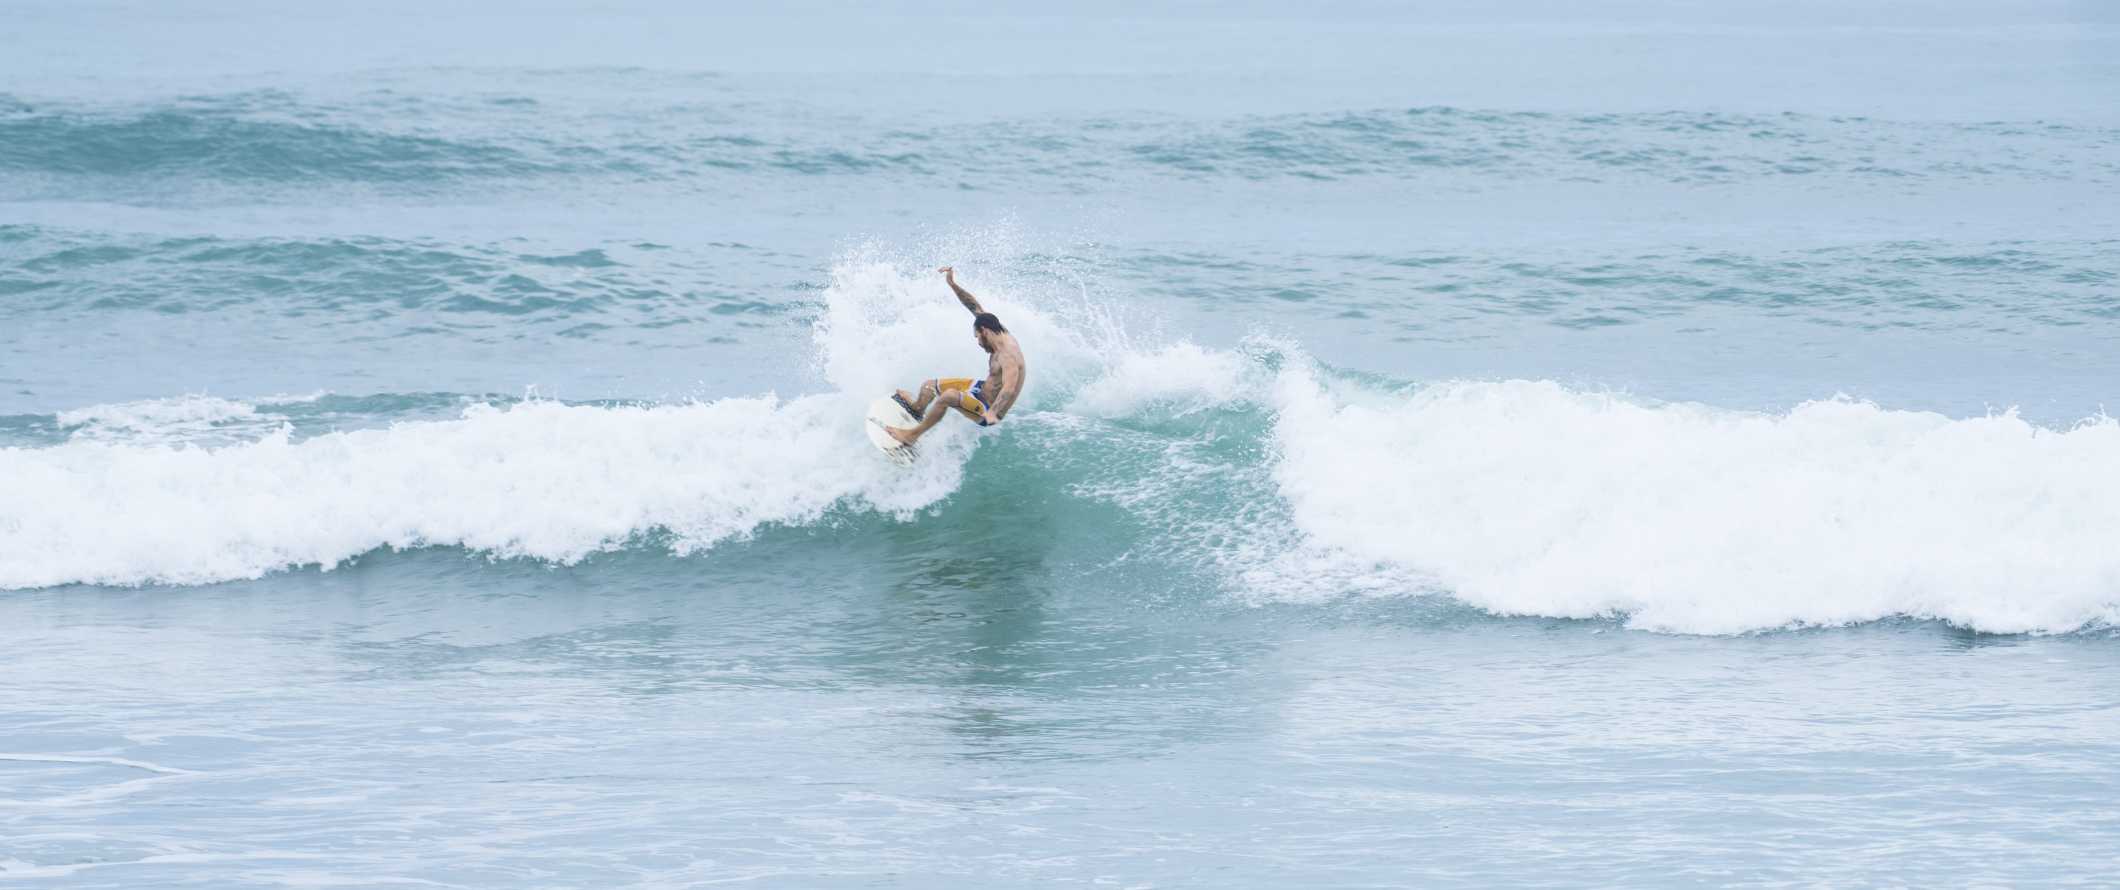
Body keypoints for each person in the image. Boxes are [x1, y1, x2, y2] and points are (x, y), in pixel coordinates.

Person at [887, 267, 1027, 446]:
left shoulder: (1008, 354)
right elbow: (973, 306)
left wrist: (993, 412)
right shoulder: (994, 328)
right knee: (928, 386)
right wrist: (952, 284)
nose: (978, 342)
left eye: (977, 337)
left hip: (988, 409)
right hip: (981, 389)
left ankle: (911, 436)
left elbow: (1009, 388)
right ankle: (917, 409)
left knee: (949, 396)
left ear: (984, 331)